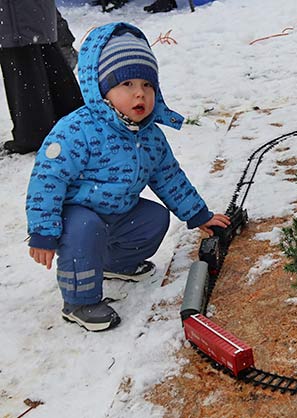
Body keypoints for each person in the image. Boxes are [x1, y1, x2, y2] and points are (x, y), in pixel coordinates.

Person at [25, 22, 230, 332]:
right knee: (85, 228)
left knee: (154, 218)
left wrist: (198, 214)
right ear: (101, 87)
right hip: (78, 215)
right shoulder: (77, 130)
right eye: (127, 84)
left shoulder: (150, 136)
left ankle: (115, 264)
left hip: (120, 213)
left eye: (147, 85)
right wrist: (43, 231)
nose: (140, 94)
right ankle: (79, 301)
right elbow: (47, 180)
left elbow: (169, 177)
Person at [0, 1, 84, 155]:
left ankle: (34, 133)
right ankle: (72, 118)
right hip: (34, 17)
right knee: (43, 49)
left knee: (21, 54)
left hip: (16, 19)